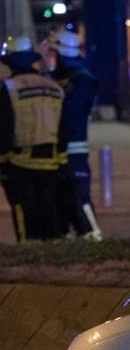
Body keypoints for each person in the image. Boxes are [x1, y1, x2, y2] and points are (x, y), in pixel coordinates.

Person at [42, 28, 101, 241]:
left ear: (63, 54)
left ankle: (94, 237)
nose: (48, 59)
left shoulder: (82, 80)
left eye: (52, 54)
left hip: (74, 150)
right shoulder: (59, 78)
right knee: (61, 198)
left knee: (79, 197)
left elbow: (70, 115)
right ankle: (68, 238)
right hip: (57, 149)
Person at [0, 47, 65, 241]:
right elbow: (64, 125)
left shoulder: (9, 88)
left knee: (22, 206)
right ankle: (53, 244)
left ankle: (28, 246)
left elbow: (5, 127)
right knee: (48, 204)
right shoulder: (55, 88)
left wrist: (2, 159)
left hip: (20, 161)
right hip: (51, 159)